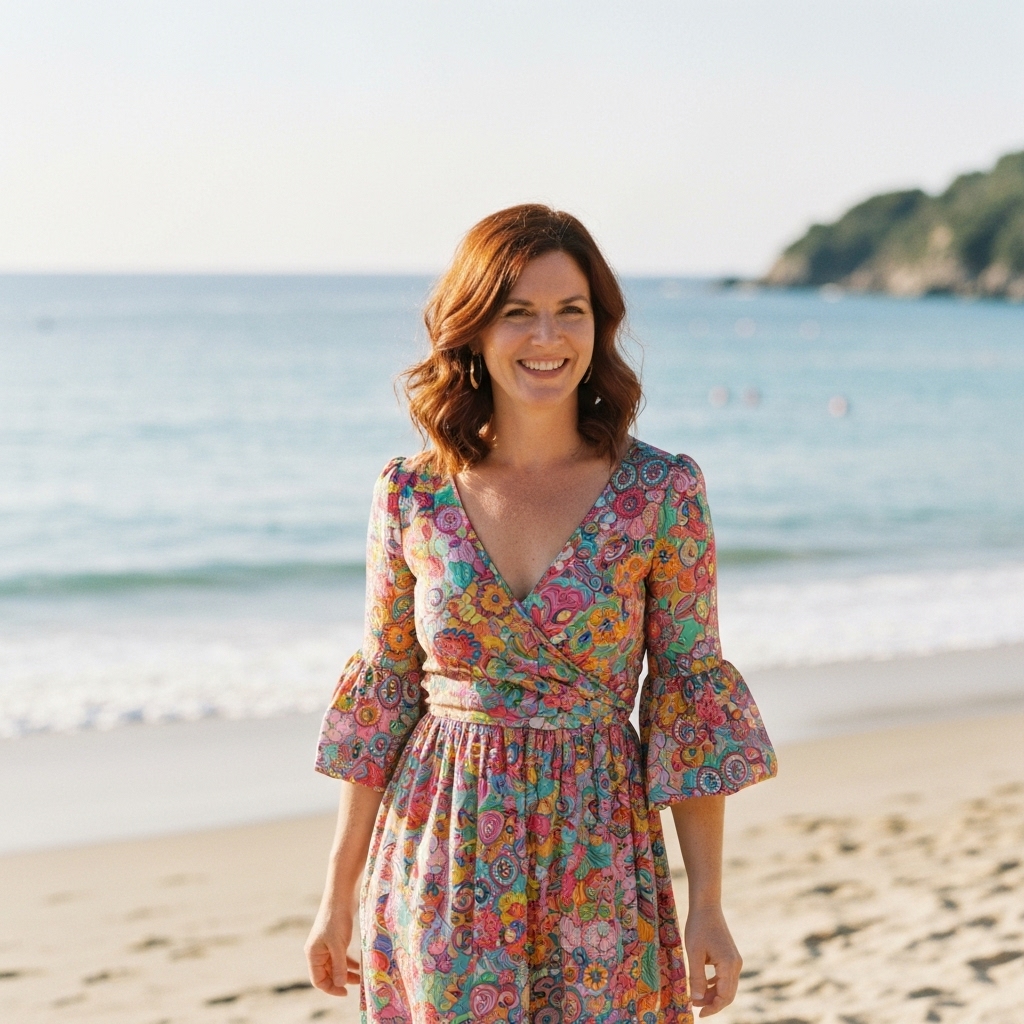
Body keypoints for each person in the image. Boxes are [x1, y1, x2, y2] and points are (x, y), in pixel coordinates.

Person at [305, 205, 777, 1023]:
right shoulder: (409, 492)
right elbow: (385, 693)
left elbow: (687, 698)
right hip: (441, 848)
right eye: (516, 312)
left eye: (571, 311)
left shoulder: (660, 494)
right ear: (474, 329)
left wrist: (707, 903)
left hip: (600, 850)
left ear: (600, 326)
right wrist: (336, 893)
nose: (546, 337)